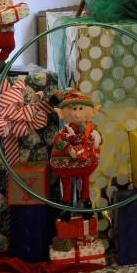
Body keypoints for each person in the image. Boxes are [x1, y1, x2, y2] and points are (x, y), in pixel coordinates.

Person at [49, 89, 102, 218]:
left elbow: (99, 140)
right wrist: (70, 149)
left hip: (85, 162)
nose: (78, 115)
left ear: (93, 111)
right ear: (62, 113)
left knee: (85, 179)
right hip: (67, 162)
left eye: (80, 109)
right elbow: (58, 139)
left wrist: (95, 139)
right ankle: (66, 204)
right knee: (66, 181)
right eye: (74, 109)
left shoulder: (91, 128)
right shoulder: (66, 129)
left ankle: (85, 202)